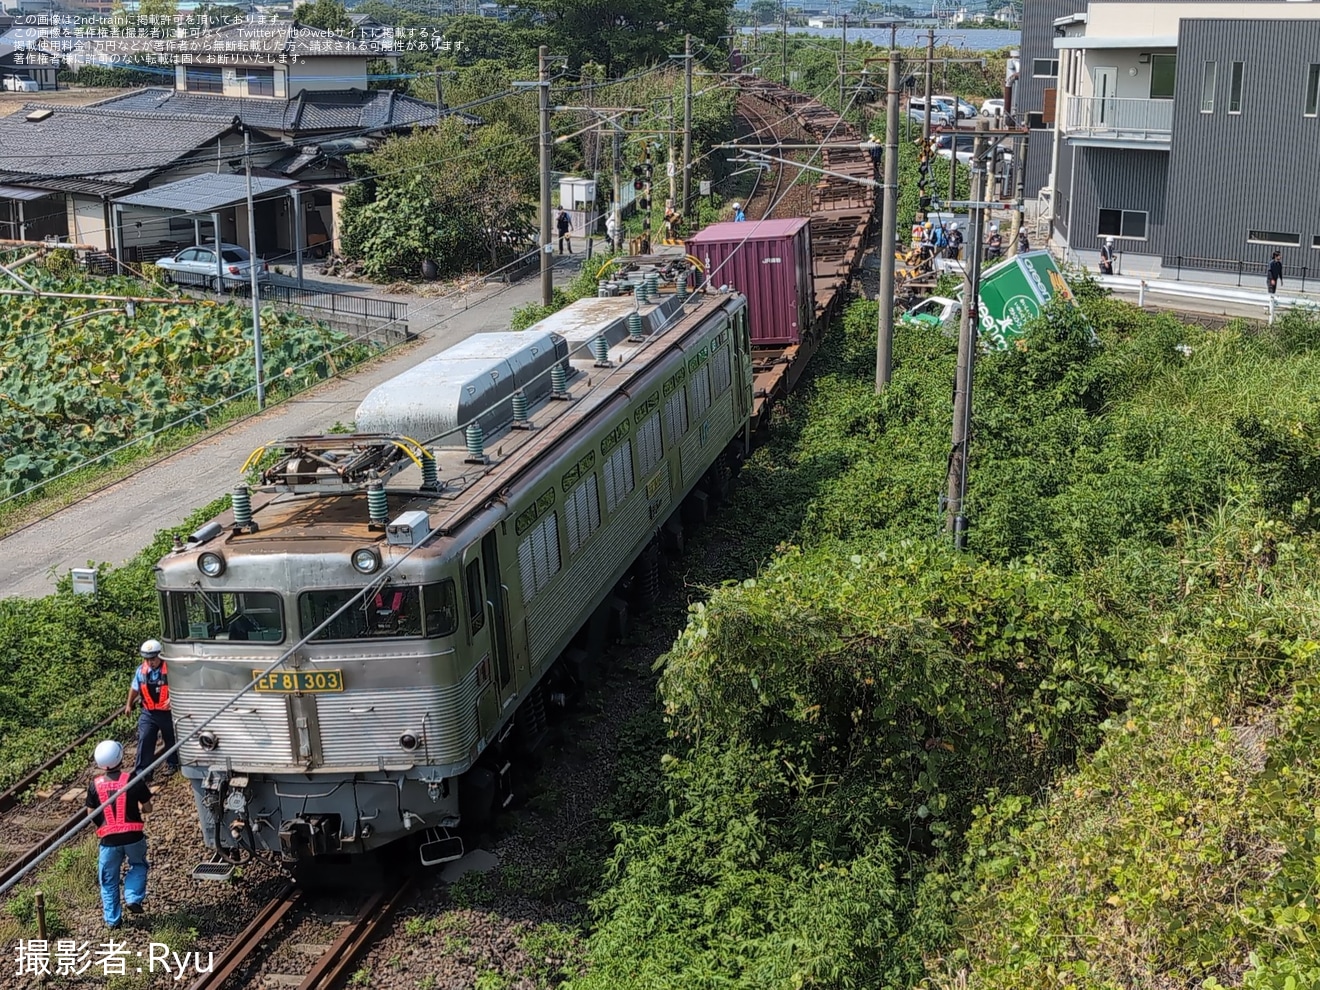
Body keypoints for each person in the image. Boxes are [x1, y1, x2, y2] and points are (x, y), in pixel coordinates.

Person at [86, 740, 153, 929]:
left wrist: (103, 825)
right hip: (134, 836)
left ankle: (113, 921)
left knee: (108, 880)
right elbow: (147, 807)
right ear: (120, 757)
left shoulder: (94, 785)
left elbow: (90, 814)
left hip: (108, 841)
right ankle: (133, 897)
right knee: (138, 865)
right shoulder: (133, 779)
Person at [126, 640, 178, 781]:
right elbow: (135, 688)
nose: (150, 662)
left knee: (171, 738)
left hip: (168, 713)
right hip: (148, 713)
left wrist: (173, 698)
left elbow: (181, 687)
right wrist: (129, 704)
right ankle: (142, 773)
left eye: (153, 659)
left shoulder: (171, 670)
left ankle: (173, 764)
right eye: (147, 659)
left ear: (160, 656)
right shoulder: (141, 671)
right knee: (145, 739)